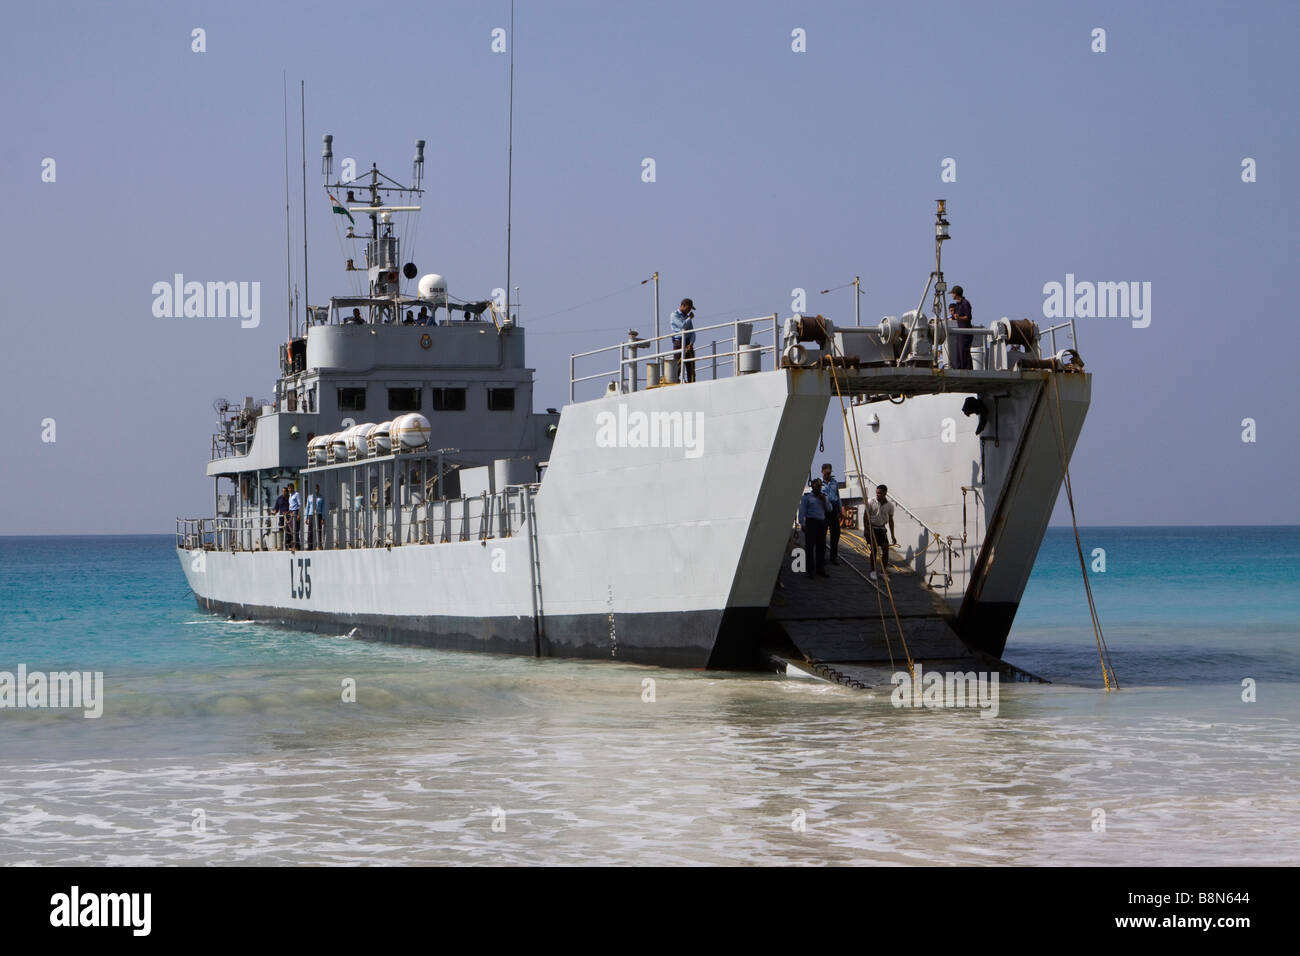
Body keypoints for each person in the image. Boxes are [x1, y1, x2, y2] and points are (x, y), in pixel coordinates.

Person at [797, 478, 830, 579]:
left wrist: (824, 501)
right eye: (817, 487)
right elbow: (802, 511)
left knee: (821, 547)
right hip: (811, 522)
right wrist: (802, 523)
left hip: (821, 522)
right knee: (810, 547)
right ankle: (810, 570)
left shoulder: (824, 497)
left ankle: (820, 569)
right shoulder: (806, 498)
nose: (819, 489)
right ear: (812, 487)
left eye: (820, 487)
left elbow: (829, 509)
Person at [867, 484, 897, 580]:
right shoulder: (871, 502)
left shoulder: (890, 505)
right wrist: (866, 531)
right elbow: (865, 516)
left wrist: (893, 535)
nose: (878, 495)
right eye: (877, 493)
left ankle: (883, 571)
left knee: (885, 549)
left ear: (885, 493)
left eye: (880, 493)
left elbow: (891, 520)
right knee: (874, 550)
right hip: (872, 529)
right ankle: (873, 571)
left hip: (882, 529)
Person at [820, 463, 843, 564]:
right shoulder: (819, 483)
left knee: (836, 534)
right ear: (822, 472)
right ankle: (822, 556)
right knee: (822, 535)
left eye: (830, 473)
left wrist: (840, 510)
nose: (828, 475)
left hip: (833, 511)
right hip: (823, 511)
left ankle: (833, 557)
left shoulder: (835, 482)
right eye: (826, 473)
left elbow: (838, 496)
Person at [670, 298, 697, 383]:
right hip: (679, 341)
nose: (689, 311)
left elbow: (692, 332)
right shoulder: (674, 315)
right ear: (683, 306)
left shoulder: (686, 317)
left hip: (688, 342)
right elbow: (682, 326)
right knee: (678, 364)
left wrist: (691, 343)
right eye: (688, 308)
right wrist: (689, 318)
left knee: (690, 365)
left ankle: (691, 381)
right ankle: (676, 381)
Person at [949, 285, 973, 370]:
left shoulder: (965, 303)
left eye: (952, 293)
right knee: (959, 352)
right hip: (960, 332)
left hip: (965, 332)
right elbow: (954, 316)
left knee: (964, 351)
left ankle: (967, 370)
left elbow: (968, 317)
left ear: (955, 294)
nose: (951, 295)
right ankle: (960, 368)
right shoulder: (958, 305)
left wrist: (959, 318)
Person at [305, 484, 324, 550]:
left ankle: (319, 545)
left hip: (319, 514)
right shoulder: (309, 497)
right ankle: (310, 546)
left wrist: (323, 518)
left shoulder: (321, 497)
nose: (316, 490)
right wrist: (306, 517)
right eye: (315, 488)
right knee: (310, 531)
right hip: (311, 515)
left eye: (317, 488)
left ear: (319, 489)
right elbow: (307, 507)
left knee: (319, 530)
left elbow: (323, 508)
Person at [287, 484, 301, 550]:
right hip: (291, 512)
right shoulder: (290, 495)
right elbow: (291, 505)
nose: (289, 489)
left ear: (293, 488)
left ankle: (296, 545)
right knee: (291, 529)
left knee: (295, 529)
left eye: (291, 488)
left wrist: (298, 514)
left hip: (295, 512)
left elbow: (300, 504)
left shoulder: (297, 494)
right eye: (289, 488)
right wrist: (288, 512)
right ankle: (294, 544)